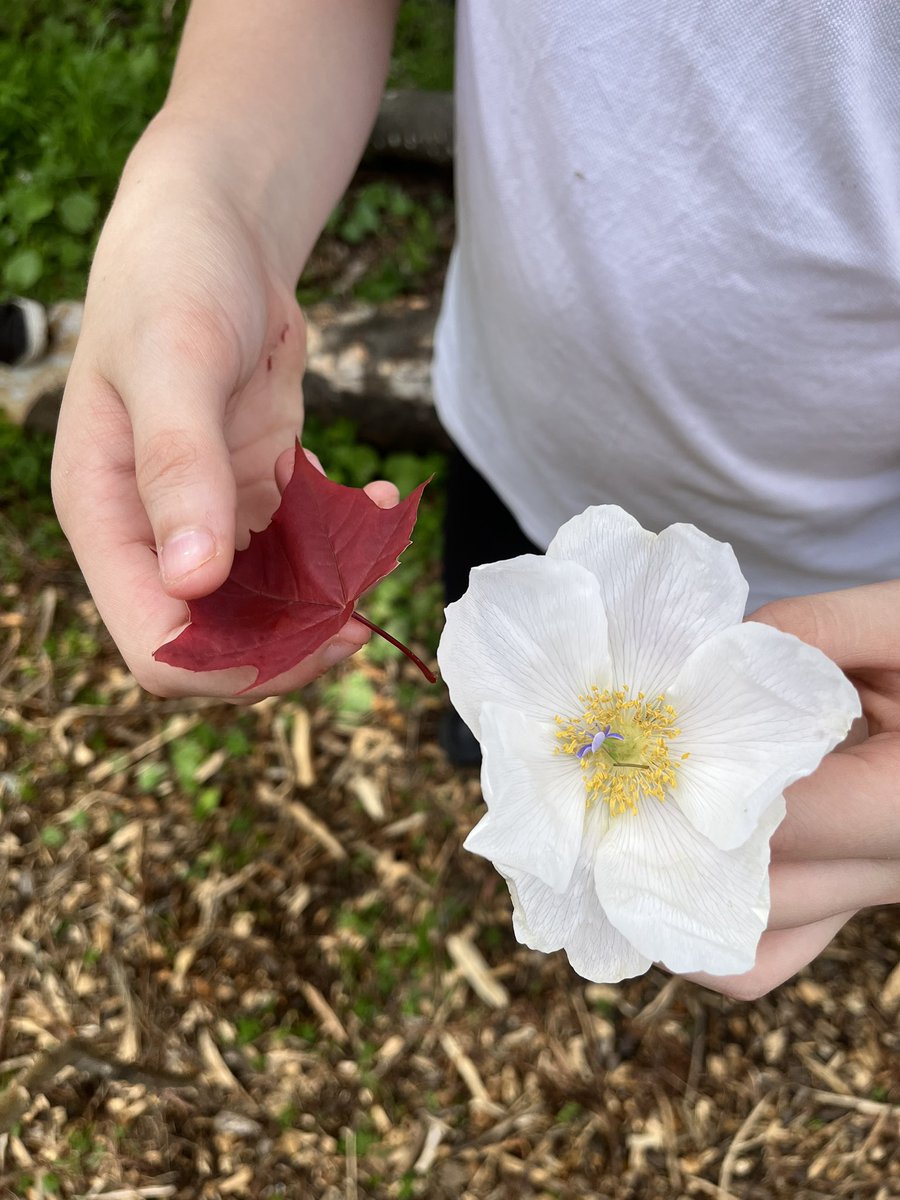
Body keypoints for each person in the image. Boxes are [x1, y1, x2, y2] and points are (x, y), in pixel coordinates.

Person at [51, 0, 900, 1000]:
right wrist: (204, 180)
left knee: (801, 803)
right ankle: (493, 758)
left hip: (861, 553)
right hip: (517, 439)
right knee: (491, 699)